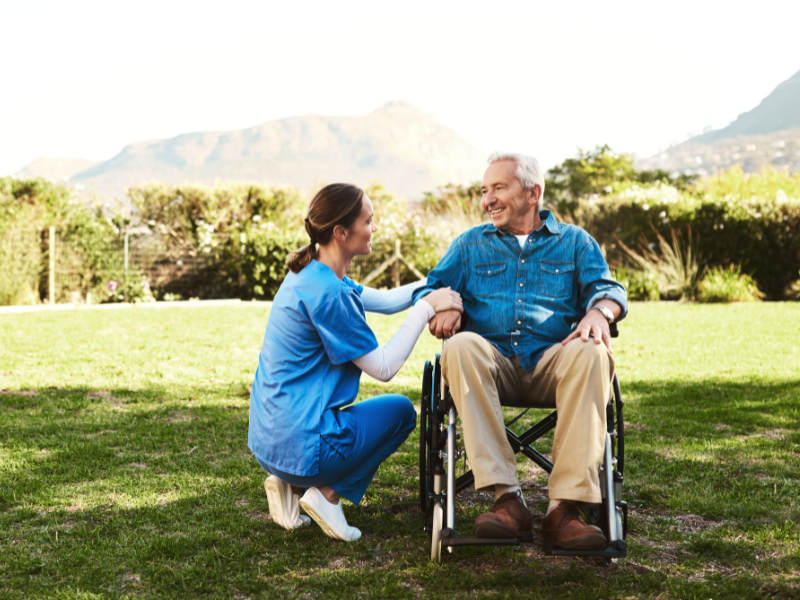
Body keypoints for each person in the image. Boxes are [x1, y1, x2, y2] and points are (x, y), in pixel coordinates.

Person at [412, 152, 628, 550]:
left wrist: (599, 313)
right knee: (459, 346)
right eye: (483, 191)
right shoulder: (470, 244)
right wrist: (442, 303)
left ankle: (565, 510)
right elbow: (428, 288)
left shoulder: (575, 242)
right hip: (490, 363)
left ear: (534, 193)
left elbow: (610, 289)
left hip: (554, 362)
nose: (487, 200)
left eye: (498, 188)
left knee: (593, 351)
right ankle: (508, 501)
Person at [248, 183, 462, 542]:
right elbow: (383, 368)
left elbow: (390, 300)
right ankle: (326, 495)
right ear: (341, 232)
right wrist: (428, 307)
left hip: (270, 440)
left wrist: (437, 284)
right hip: (303, 445)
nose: (374, 228)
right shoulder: (330, 295)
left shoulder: (311, 273)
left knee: (344, 416)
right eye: (369, 220)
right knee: (401, 413)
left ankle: (287, 485)